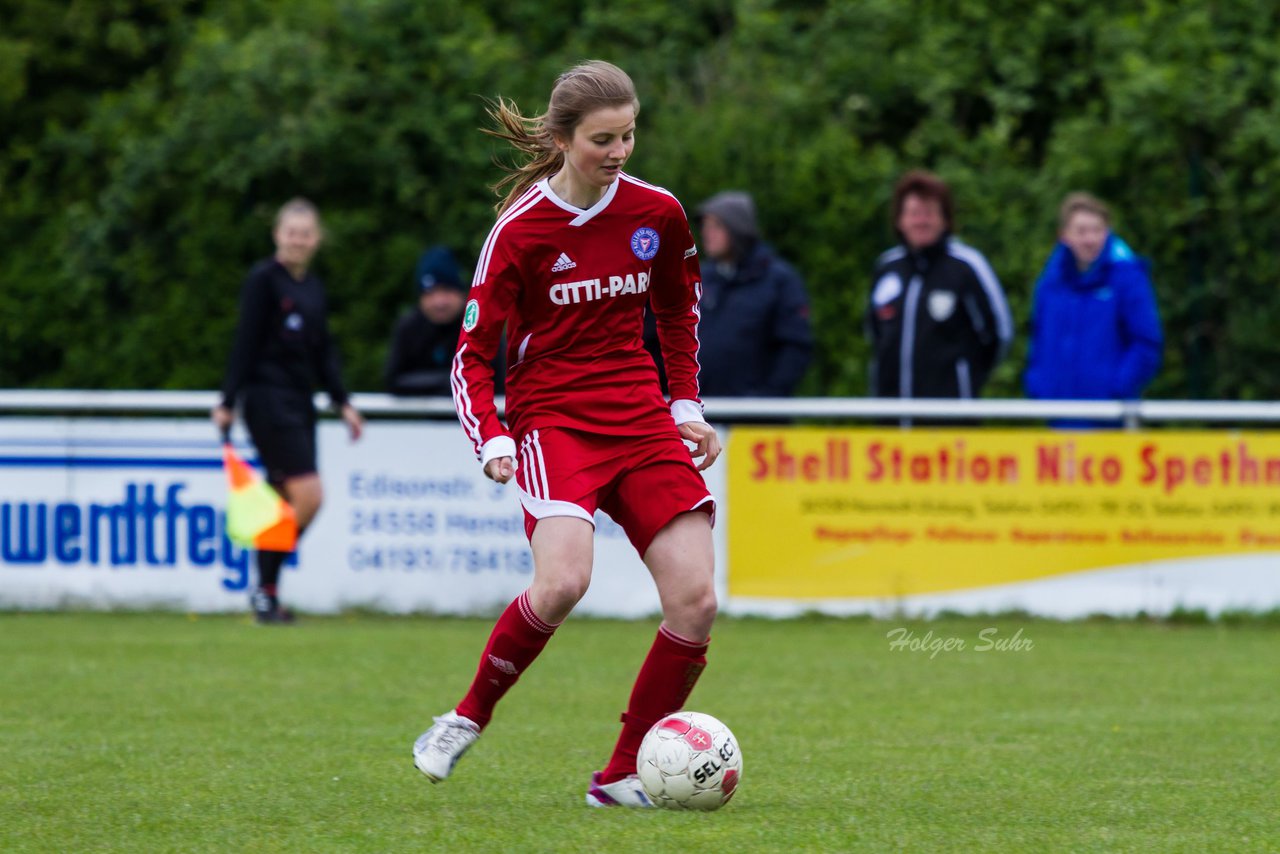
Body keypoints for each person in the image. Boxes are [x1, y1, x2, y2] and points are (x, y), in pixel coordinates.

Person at [412, 60, 720, 809]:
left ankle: (619, 778)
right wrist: (490, 435)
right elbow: (472, 353)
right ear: (561, 138)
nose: (619, 153)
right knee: (563, 582)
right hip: (555, 418)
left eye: (629, 135)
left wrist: (686, 404)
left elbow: (679, 311)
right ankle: (465, 717)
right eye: (602, 140)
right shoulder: (520, 230)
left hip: (641, 416)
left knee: (696, 600)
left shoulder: (658, 213)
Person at [212, 198, 364, 623]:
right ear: (278, 235)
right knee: (309, 496)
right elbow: (244, 341)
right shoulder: (263, 281)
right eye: (290, 232)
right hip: (266, 400)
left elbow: (323, 352)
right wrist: (227, 401)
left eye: (305, 233)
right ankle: (264, 588)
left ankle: (266, 595)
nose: (297, 240)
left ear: (316, 239)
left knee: (284, 502)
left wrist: (342, 402)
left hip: (300, 403)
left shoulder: (312, 288)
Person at [866, 171, 1013, 409]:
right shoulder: (887, 267)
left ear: (945, 219)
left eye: (929, 213)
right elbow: (874, 332)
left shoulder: (966, 266)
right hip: (890, 414)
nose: (921, 221)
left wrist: (966, 377)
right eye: (913, 213)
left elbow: (998, 334)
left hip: (949, 417)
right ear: (900, 220)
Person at [644, 191, 813, 396]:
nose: (707, 232)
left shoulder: (779, 281)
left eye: (716, 225)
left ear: (739, 229)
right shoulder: (695, 277)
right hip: (697, 411)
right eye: (705, 225)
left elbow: (794, 347)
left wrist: (768, 398)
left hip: (756, 420)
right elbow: (660, 336)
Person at [1024, 192, 1163, 418]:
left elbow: (1146, 342)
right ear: (1064, 236)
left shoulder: (1127, 277)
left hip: (1110, 417)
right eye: (1081, 231)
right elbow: (1038, 338)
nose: (1090, 239)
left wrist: (1117, 388)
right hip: (1058, 414)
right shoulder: (1051, 283)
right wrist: (1039, 385)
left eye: (1097, 230)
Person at [385, 246, 468, 396]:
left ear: (461, 293)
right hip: (421, 420)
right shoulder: (409, 328)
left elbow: (498, 382)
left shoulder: (477, 327)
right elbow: (393, 380)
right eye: (430, 292)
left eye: (447, 290)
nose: (439, 302)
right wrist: (449, 382)